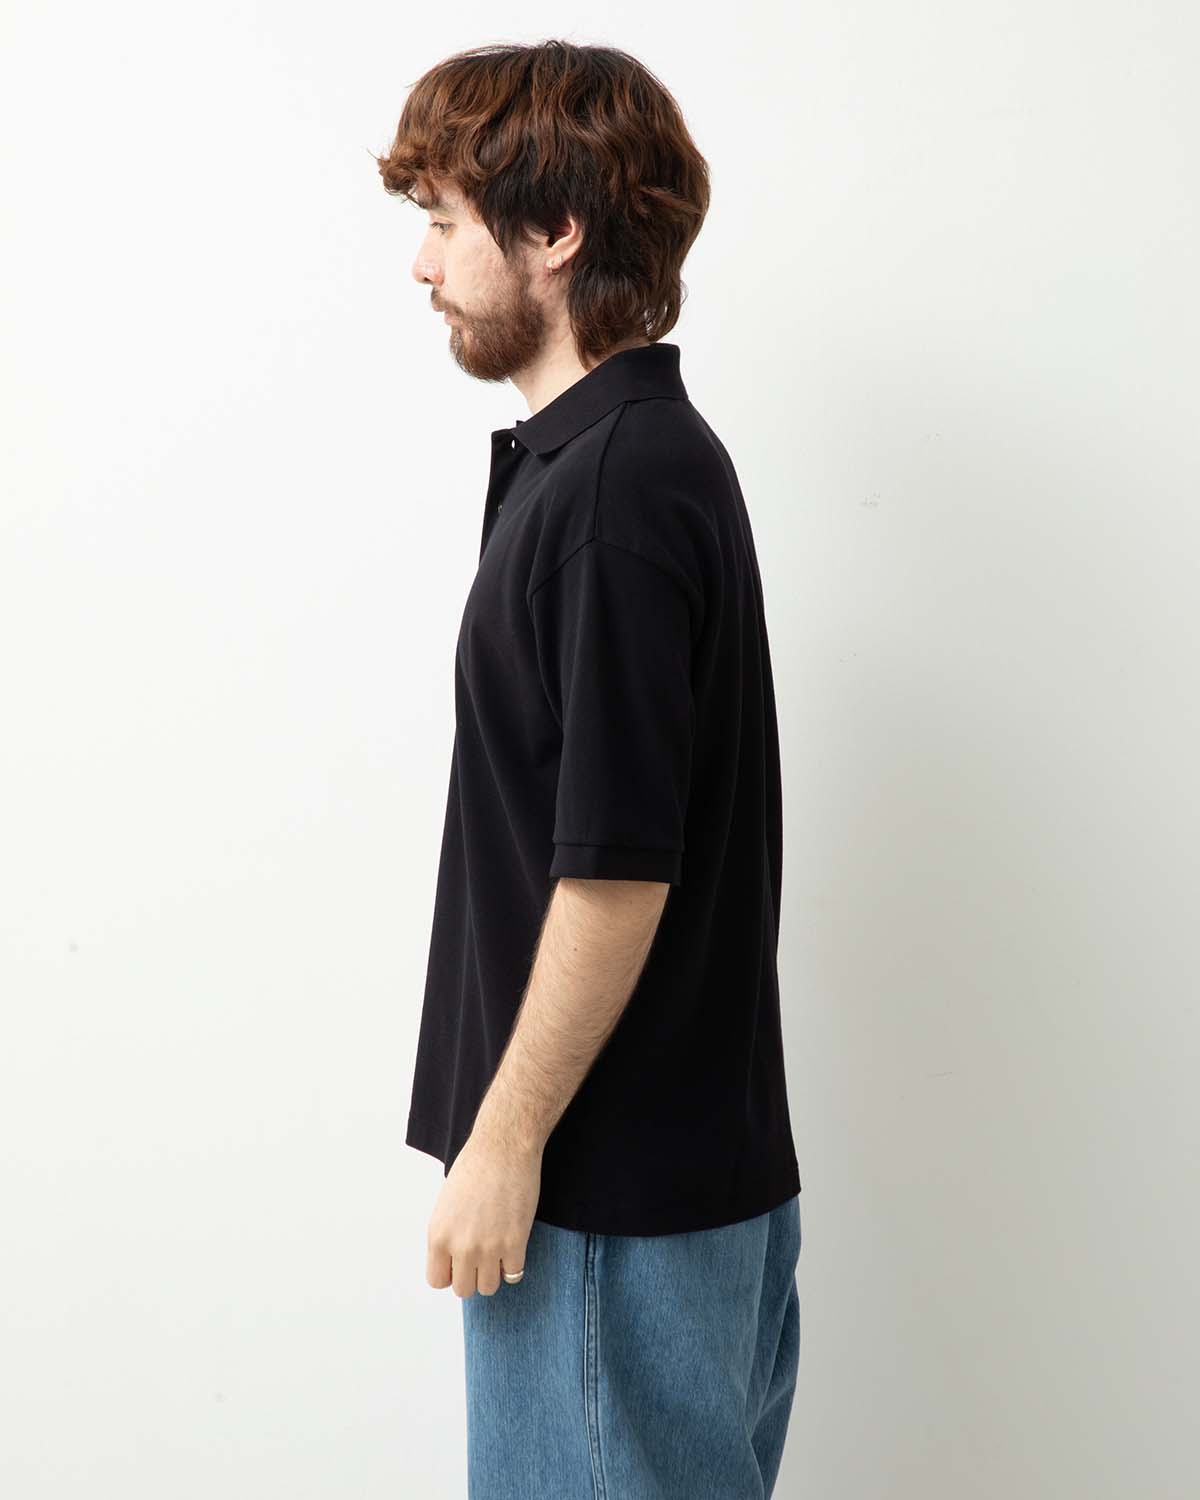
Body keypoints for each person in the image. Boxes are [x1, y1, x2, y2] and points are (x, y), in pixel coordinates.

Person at [375, 38, 803, 1499]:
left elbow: (616, 873)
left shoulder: (616, 489)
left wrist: (502, 1144)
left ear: (555, 232)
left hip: (604, 1206)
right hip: (647, 1197)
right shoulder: (610, 466)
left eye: (446, 221)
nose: (423, 264)